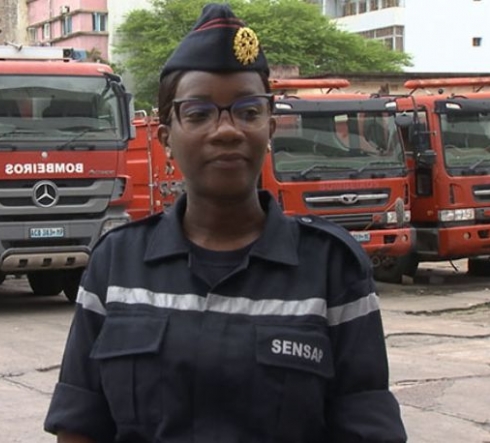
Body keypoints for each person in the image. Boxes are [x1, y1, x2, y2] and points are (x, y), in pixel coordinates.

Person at [43, 3, 407, 443]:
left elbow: (366, 427)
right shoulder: (117, 264)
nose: (227, 130)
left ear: (271, 127)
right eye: (198, 114)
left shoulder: (331, 268)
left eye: (248, 111)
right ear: (166, 137)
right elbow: (80, 424)